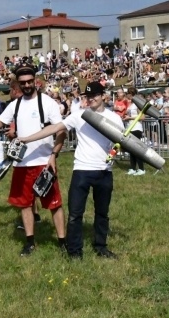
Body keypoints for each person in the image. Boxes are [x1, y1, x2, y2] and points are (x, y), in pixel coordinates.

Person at [18, 82, 121, 259]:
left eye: (95, 95)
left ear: (103, 96)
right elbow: (55, 128)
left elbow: (120, 142)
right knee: (75, 214)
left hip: (104, 171)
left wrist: (114, 152)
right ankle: (74, 251)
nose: (91, 99)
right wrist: (27, 139)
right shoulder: (79, 115)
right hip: (81, 170)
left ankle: (101, 247)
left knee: (102, 213)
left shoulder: (114, 118)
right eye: (88, 96)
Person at [0, 64, 67, 256]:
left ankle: (62, 242)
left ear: (35, 81)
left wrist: (54, 155)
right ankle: (30, 242)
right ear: (18, 84)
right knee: (25, 204)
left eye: (29, 81)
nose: (26, 85)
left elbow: (61, 131)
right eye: (23, 83)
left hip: (44, 162)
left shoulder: (48, 103)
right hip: (21, 163)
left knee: (54, 204)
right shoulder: (15, 105)